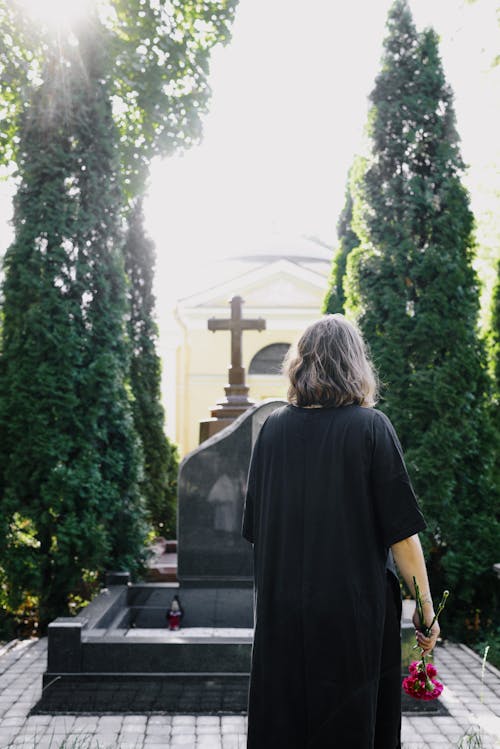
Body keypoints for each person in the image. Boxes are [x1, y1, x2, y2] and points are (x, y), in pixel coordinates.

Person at [241, 314, 439, 749]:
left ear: (301, 364)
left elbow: (256, 529)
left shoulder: (271, 431)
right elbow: (403, 537)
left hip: (282, 620)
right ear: (355, 364)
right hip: (354, 620)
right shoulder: (371, 428)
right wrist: (426, 611)